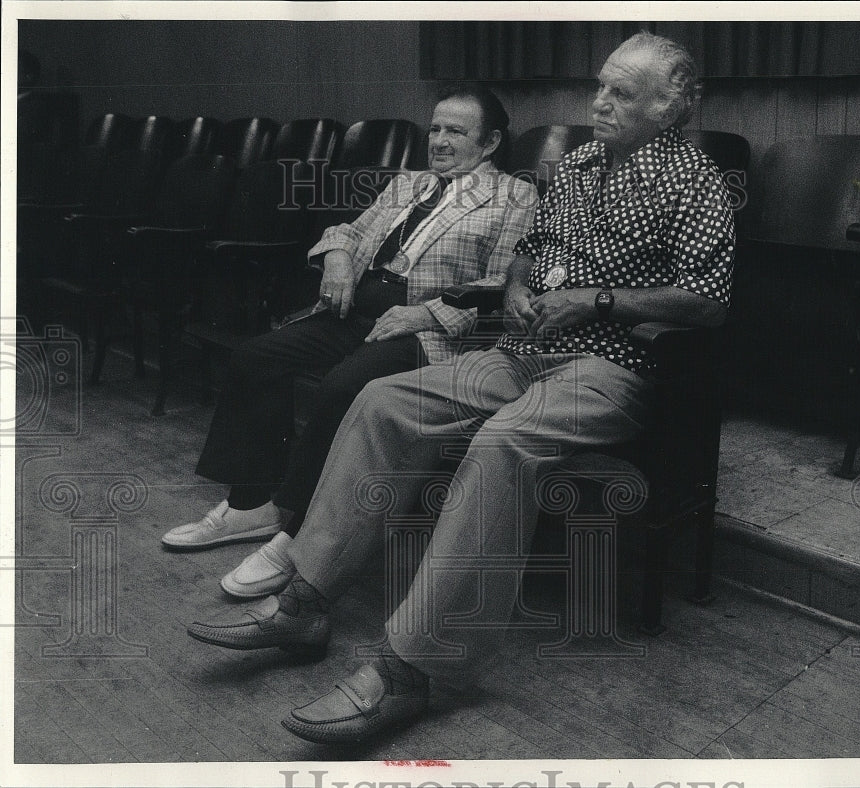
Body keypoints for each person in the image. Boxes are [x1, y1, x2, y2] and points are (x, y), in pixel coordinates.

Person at [187, 33, 735, 745]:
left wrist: (598, 302)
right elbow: (531, 253)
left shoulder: (695, 180)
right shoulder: (575, 165)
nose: (598, 102)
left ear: (670, 107)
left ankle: (413, 668)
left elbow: (708, 300)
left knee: (504, 442)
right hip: (525, 348)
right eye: (600, 86)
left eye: (620, 93)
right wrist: (514, 288)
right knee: (384, 401)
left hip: (611, 366)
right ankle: (305, 602)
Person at [161, 86, 538, 600]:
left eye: (456, 131)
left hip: (424, 331)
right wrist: (337, 256)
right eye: (435, 129)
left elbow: (499, 289)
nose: (440, 141)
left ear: (491, 141)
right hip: (351, 312)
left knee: (344, 387)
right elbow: (349, 231)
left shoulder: (515, 197)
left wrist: (423, 313)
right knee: (254, 358)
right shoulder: (407, 183)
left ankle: (296, 534)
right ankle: (251, 506)